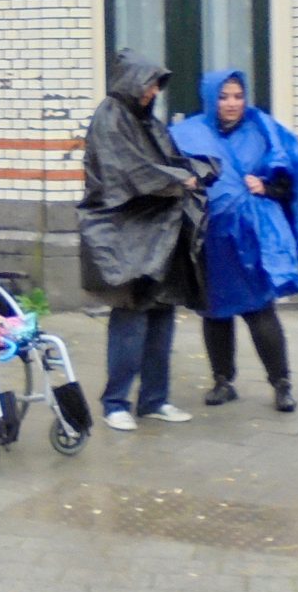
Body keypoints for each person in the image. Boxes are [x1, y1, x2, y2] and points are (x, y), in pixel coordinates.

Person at [170, 69, 298, 413]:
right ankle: (222, 380)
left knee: (260, 310)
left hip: (253, 237)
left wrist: (266, 186)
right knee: (215, 311)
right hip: (211, 237)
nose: (232, 103)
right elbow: (170, 175)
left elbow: (290, 178)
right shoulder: (187, 134)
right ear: (211, 98)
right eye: (224, 96)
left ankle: (281, 383)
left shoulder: (263, 130)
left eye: (238, 96)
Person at [77, 51, 210, 432]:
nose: (154, 92)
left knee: (162, 315)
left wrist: (196, 170)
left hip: (159, 233)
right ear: (133, 82)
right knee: (131, 317)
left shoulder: (145, 120)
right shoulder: (110, 118)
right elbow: (125, 173)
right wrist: (177, 180)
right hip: (125, 235)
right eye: (150, 84)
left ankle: (154, 399)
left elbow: (167, 158)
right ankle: (116, 402)